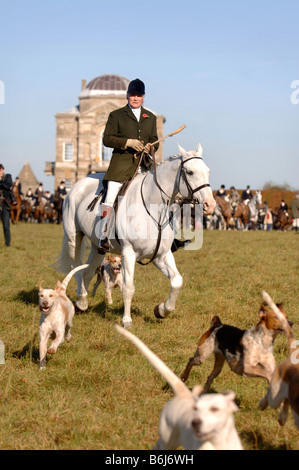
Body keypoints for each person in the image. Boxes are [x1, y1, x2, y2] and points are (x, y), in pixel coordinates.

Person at [97, 78, 159, 253]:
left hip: (143, 166)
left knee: (161, 194)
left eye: (139, 95)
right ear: (127, 96)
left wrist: (150, 147)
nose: (136, 98)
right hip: (121, 166)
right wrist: (128, 142)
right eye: (133, 95)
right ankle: (103, 235)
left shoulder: (151, 117)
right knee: (110, 197)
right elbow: (107, 139)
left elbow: (155, 141)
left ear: (143, 97)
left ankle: (167, 236)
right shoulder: (116, 115)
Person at [0, 164, 13, 246]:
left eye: (0, 170)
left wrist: (1, 182)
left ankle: (7, 243)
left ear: (3, 170)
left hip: (4, 204)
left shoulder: (8, 177)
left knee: (6, 226)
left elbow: (8, 185)